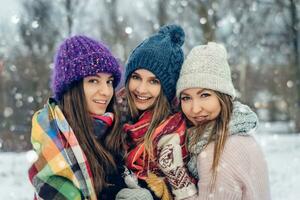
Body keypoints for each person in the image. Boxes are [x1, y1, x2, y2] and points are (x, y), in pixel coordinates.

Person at [28, 35, 150, 200]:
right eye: (93, 81)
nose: (106, 91)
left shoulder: (118, 132)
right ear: (72, 88)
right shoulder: (55, 143)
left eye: (109, 81)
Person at [176, 42, 271, 199]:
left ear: (223, 97)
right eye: (186, 98)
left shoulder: (215, 151)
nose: (195, 109)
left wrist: (178, 181)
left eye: (204, 95)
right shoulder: (241, 135)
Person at [117, 24, 198, 200]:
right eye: (136, 77)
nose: (141, 89)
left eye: (153, 81)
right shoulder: (116, 117)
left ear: (166, 89)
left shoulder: (173, 134)